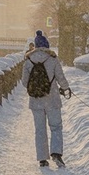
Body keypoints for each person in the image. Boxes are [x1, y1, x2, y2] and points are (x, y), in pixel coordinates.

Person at [21, 29, 71, 167]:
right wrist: (65, 88)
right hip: (52, 99)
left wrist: (37, 87)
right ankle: (56, 153)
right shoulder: (52, 59)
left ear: (36, 46)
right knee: (56, 126)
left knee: (40, 129)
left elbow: (24, 82)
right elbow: (60, 78)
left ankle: (42, 159)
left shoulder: (28, 60)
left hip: (36, 101)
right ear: (47, 45)